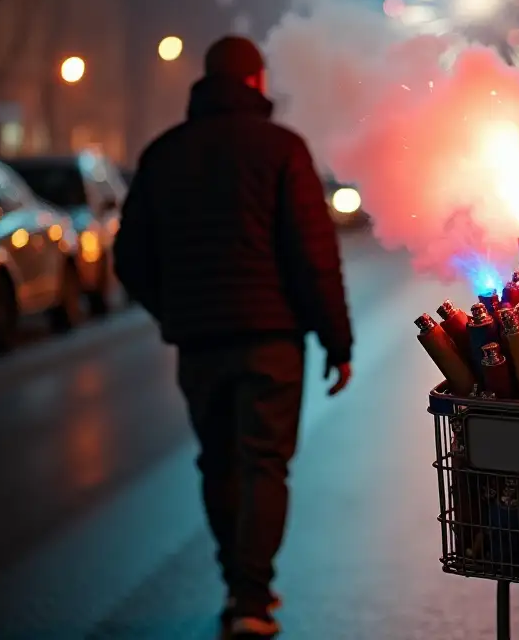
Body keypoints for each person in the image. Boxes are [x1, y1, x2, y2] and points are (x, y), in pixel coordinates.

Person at [114, 35, 354, 639]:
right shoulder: (282, 149)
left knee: (217, 462)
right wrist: (337, 341)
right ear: (255, 81)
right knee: (264, 464)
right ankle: (253, 596)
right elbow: (313, 253)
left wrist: (173, 308)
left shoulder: (164, 153)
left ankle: (235, 583)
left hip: (199, 340)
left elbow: (129, 256)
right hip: (272, 338)